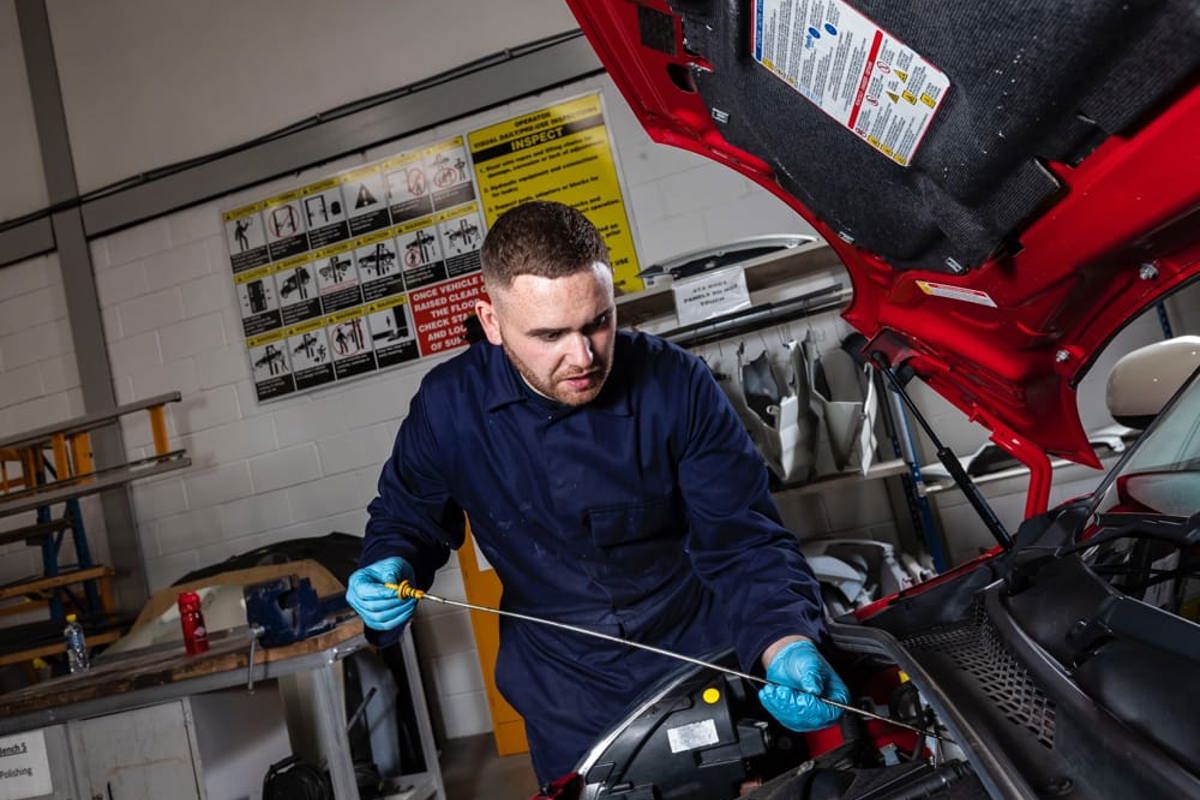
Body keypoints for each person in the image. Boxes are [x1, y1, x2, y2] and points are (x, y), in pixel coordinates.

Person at [347, 200, 849, 785]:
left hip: (704, 659)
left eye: (598, 322)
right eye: (550, 335)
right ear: (491, 322)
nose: (583, 357)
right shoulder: (448, 409)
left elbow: (743, 540)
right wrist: (388, 565)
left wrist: (785, 642)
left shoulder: (676, 384)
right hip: (568, 692)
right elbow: (407, 517)